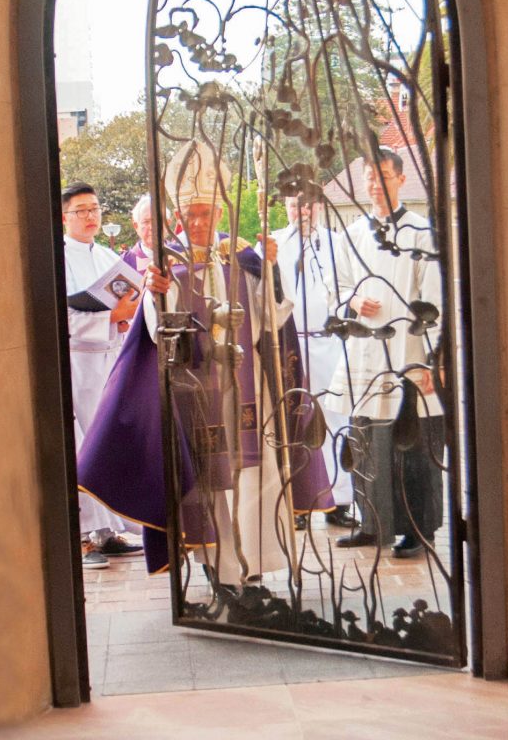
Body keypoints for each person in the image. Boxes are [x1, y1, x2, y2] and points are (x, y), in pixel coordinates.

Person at [78, 142, 333, 585]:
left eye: (206, 213)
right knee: (213, 485)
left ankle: (254, 571)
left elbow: (273, 319)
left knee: (257, 477)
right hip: (199, 391)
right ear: (178, 218)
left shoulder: (245, 259)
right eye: (190, 215)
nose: (198, 223)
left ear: (220, 215)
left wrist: (271, 272)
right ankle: (223, 572)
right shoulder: (168, 266)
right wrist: (159, 295)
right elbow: (159, 333)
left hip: (251, 386)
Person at [325, 147, 444, 558]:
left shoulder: (420, 234)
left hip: (407, 352)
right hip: (363, 354)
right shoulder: (353, 234)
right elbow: (335, 287)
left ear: (400, 179)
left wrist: (430, 358)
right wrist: (353, 301)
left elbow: (434, 299)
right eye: (369, 177)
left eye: (383, 176)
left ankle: (418, 528)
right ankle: (373, 523)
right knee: (365, 442)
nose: (375, 184)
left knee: (412, 444)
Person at [62, 181, 143, 569]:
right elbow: (59, 315)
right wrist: (110, 317)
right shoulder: (56, 256)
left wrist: (123, 319)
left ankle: (109, 530)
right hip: (78, 363)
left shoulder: (110, 256)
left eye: (94, 208)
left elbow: (123, 305)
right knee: (82, 445)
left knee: (108, 440)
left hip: (109, 358)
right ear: (64, 217)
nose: (91, 216)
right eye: (81, 210)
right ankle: (85, 538)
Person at [272, 195, 355, 528]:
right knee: (296, 422)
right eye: (294, 206)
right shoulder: (274, 243)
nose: (301, 212)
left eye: (307, 204)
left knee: (337, 419)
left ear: (319, 205)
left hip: (328, 340)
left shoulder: (337, 243)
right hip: (292, 342)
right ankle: (300, 503)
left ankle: (339, 502)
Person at [123, 194, 154, 274]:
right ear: (136, 226)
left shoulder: (182, 254)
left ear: (168, 223)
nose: (152, 227)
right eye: (146, 222)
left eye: (158, 221)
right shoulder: (125, 263)